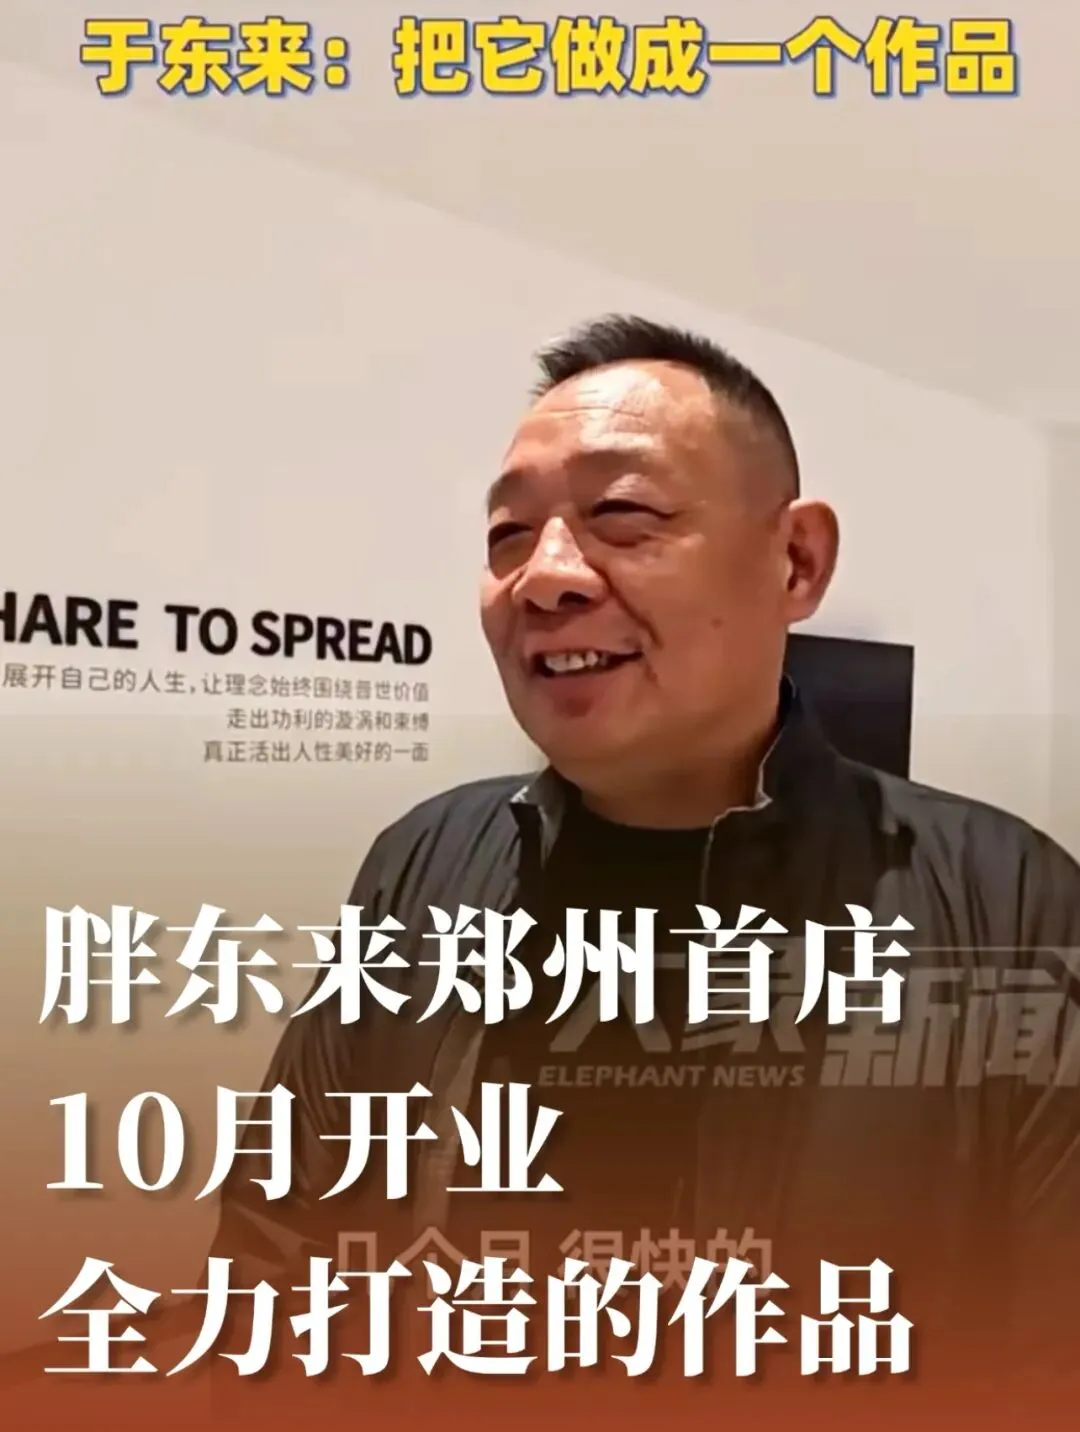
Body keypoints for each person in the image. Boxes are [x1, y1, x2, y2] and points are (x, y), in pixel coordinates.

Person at [211, 314, 1080, 1407]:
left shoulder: (1010, 903)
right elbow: (280, 1247)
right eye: (508, 534)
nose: (544, 577)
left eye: (622, 515)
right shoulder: (421, 865)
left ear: (797, 560)